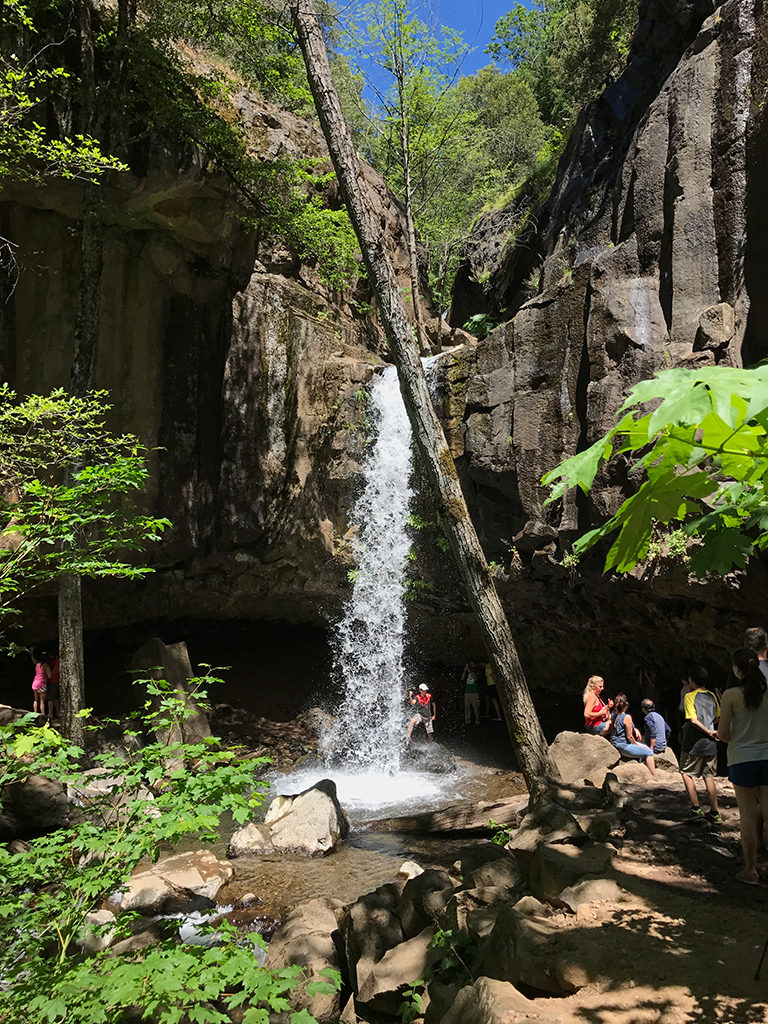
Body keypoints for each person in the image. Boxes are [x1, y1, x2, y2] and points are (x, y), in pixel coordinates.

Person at [717, 648, 768, 885]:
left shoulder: (731, 695)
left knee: (747, 815)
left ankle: (750, 870)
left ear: (737, 669)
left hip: (742, 759)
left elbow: (724, 733)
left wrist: (738, 738)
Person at [679, 665, 721, 823]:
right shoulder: (712, 695)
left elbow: (693, 719)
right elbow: (717, 718)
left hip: (693, 743)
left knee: (686, 773)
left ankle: (696, 808)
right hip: (711, 744)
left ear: (691, 680)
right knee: (709, 776)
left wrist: (706, 731)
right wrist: (711, 732)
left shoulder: (690, 696)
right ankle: (715, 812)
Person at [610, 693, 657, 776]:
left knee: (644, 747)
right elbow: (629, 736)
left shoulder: (613, 714)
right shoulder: (627, 717)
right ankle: (653, 775)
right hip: (623, 745)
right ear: (626, 705)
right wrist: (637, 744)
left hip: (615, 742)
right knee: (649, 752)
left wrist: (634, 729)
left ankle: (644, 770)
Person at [31, 652, 49, 717]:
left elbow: (33, 659)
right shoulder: (46, 665)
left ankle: (34, 713)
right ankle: (43, 714)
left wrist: (31, 653)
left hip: (35, 683)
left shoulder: (37, 664)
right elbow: (49, 676)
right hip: (42, 684)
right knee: (42, 701)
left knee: (36, 699)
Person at [45, 650, 61, 722]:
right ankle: (58, 713)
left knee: (50, 698)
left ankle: (50, 714)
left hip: (53, 682)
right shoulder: (52, 662)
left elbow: (53, 673)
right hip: (54, 681)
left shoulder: (58, 662)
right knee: (55, 698)